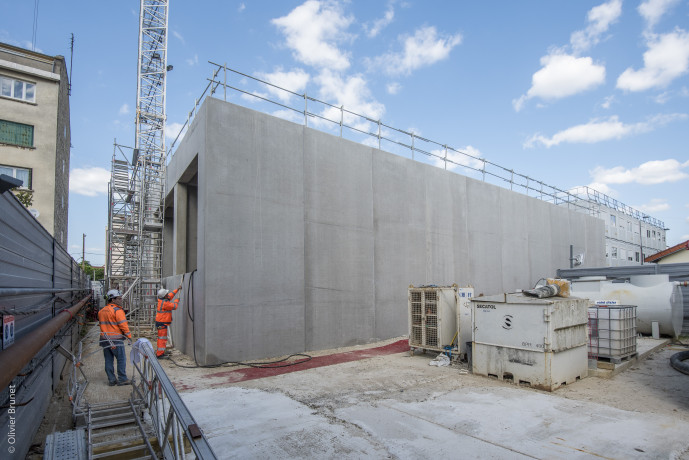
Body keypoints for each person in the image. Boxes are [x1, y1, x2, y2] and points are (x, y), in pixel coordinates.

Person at [99, 289, 132, 386]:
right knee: (121, 359)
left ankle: (111, 380)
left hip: (105, 340)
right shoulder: (118, 311)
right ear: (112, 300)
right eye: (119, 298)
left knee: (108, 360)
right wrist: (129, 336)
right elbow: (123, 325)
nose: (121, 300)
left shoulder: (101, 311)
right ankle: (122, 379)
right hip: (116, 339)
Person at [155, 283, 182, 358]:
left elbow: (171, 295)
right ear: (164, 296)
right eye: (166, 294)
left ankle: (161, 351)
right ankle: (160, 354)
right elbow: (174, 306)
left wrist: (177, 289)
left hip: (161, 323)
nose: (168, 294)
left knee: (162, 338)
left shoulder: (162, 299)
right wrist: (177, 300)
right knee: (162, 339)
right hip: (162, 323)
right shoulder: (165, 303)